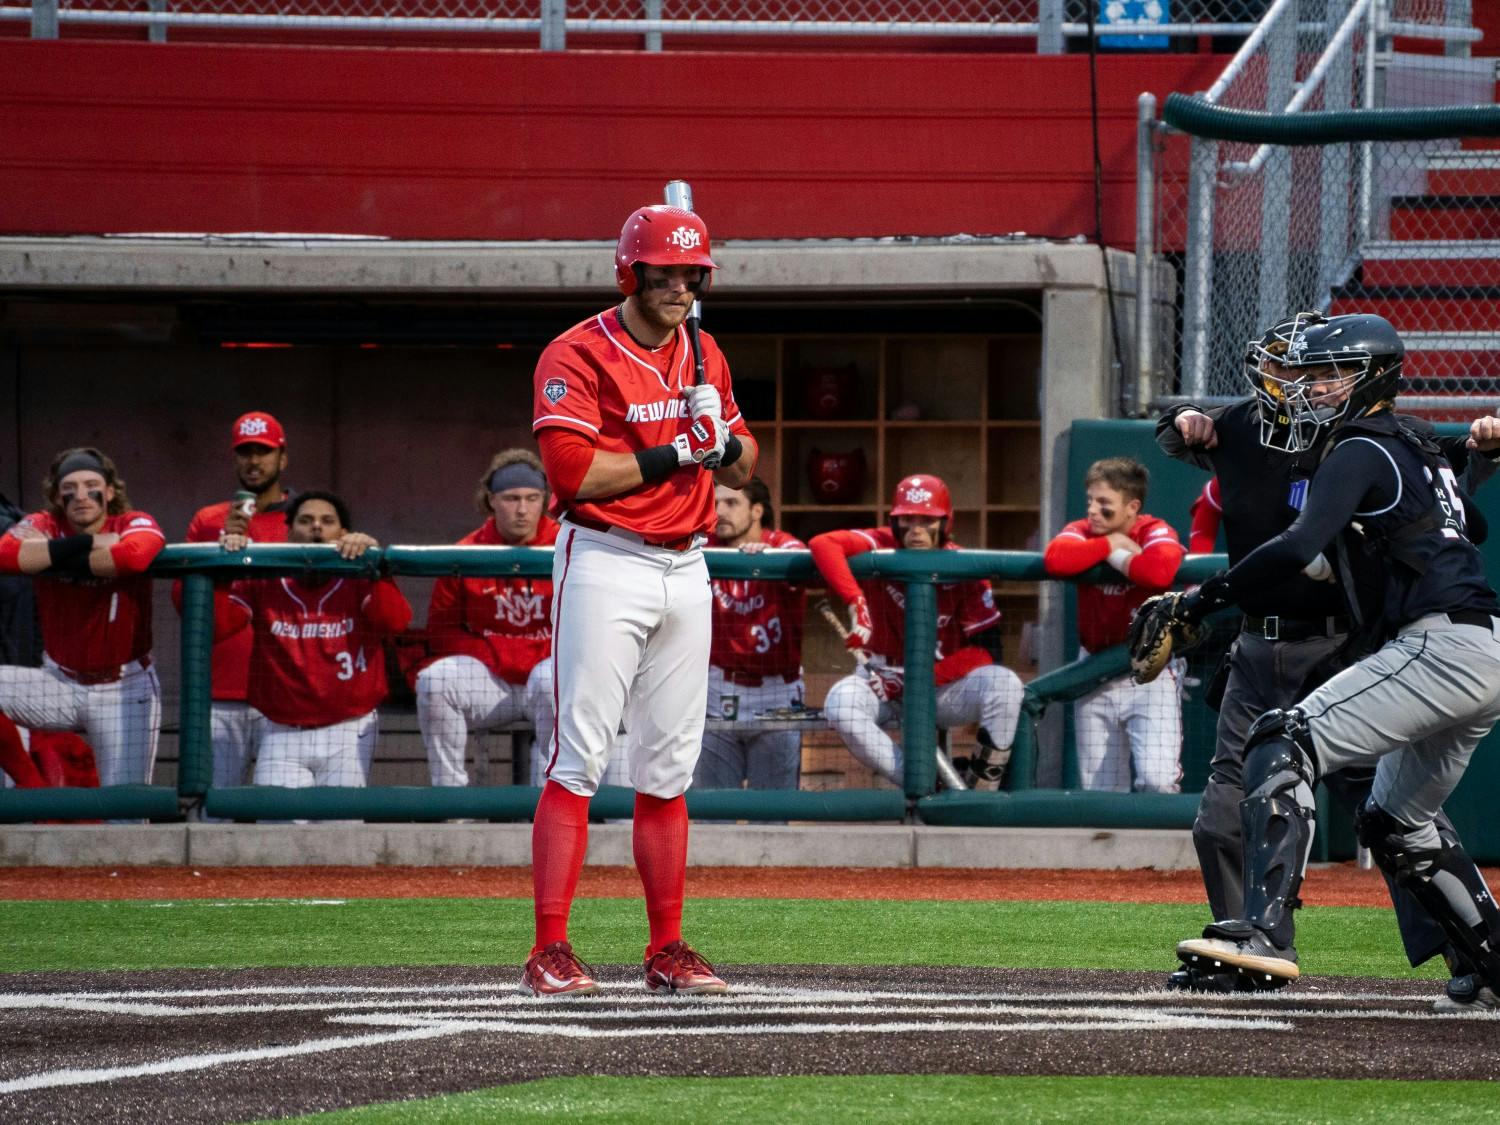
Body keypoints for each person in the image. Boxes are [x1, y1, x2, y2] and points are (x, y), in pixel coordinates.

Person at [1161, 312, 1500, 1011]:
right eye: (1308, 376)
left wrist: (1201, 599)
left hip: (1438, 642)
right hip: (1478, 641)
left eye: (1328, 375)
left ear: (1370, 377)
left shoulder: (1359, 445)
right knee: (1394, 816)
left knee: (1282, 741)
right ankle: (1491, 961)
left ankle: (1261, 934)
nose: (1312, 389)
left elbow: (1296, 542)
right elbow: (1470, 524)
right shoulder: (1411, 440)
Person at [522, 202, 758, 998]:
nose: (679, 286)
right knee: (581, 754)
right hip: (606, 557)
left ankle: (667, 947)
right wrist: (675, 450)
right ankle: (550, 946)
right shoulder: (576, 350)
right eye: (664, 271)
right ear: (631, 271)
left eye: (691, 273)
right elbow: (573, 476)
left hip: (688, 562)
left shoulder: (703, 346)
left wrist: (721, 443)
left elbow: (744, 464)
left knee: (668, 764)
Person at [809, 474, 1022, 790]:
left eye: (927, 519)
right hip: (876, 675)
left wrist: (919, 679)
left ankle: (980, 792)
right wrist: (856, 601)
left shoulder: (964, 566)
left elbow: (989, 651)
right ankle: (926, 783)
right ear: (896, 522)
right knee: (841, 704)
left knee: (1006, 685)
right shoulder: (881, 545)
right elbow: (822, 543)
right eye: (908, 519)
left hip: (940, 684)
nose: (916, 528)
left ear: (945, 523)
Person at [217, 490, 412, 789]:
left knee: (341, 829)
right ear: (289, 532)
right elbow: (218, 626)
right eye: (306, 521)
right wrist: (223, 568)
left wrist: (376, 568)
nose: (317, 527)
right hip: (281, 731)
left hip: (349, 729)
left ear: (344, 533)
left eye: (327, 521)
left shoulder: (359, 576)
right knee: (279, 828)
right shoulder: (266, 576)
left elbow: (395, 622)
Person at [0, 447, 164, 787]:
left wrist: (48, 554)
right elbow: (5, 554)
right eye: (69, 488)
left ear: (109, 492)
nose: (80, 496)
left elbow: (134, 556)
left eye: (91, 485)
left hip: (124, 686)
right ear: (58, 496)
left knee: (126, 814)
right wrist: (92, 544)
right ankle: (33, 789)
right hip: (58, 682)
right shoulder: (43, 522)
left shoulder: (132, 521)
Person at [415, 449, 559, 788]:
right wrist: (501, 654)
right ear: (491, 500)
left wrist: (520, 653)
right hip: (491, 682)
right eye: (511, 498)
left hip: (548, 680)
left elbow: (587, 628)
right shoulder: (466, 550)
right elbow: (442, 632)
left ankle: (553, 799)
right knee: (434, 682)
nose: (522, 509)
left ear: (545, 500)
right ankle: (451, 800)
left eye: (532, 498)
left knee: (553, 678)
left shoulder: (568, 545)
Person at [1043, 457, 1185, 792]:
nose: (1092, 510)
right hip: (1093, 669)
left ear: (1132, 506)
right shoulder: (1082, 530)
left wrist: (1115, 556)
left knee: (1157, 781)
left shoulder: (1153, 529)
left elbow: (1159, 571)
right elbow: (1055, 559)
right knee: (1101, 791)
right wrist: (1111, 544)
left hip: (1149, 670)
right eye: (1090, 500)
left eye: (1104, 504)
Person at [182, 411, 295, 792]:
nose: (253, 461)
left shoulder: (307, 521)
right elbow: (184, 601)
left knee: (278, 812)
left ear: (282, 458)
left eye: (263, 451)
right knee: (212, 812)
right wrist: (223, 553)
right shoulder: (209, 520)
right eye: (245, 452)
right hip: (219, 690)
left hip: (283, 690)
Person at [698, 479, 807, 791]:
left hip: (776, 693)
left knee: (771, 814)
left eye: (731, 504)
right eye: (716, 504)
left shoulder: (782, 545)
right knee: (712, 811)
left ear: (757, 510)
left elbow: (802, 555)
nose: (720, 512)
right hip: (717, 688)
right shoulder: (706, 547)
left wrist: (769, 556)